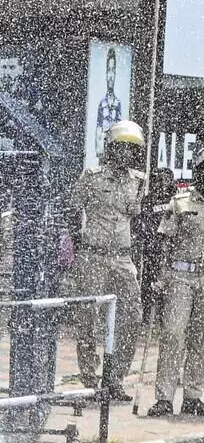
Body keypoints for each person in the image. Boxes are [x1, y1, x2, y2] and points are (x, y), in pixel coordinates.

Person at [64, 120, 146, 402]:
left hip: (122, 258)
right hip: (93, 256)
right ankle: (90, 379)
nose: (126, 154)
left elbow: (136, 218)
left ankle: (115, 379)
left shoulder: (138, 181)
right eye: (121, 148)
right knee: (87, 318)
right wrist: (80, 247)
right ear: (110, 149)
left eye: (131, 150)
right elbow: (73, 212)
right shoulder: (92, 177)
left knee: (132, 317)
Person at [148, 167, 204, 417]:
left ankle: (193, 396)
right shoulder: (181, 201)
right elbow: (165, 242)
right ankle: (164, 397)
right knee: (173, 334)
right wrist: (161, 278)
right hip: (180, 275)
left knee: (200, 337)